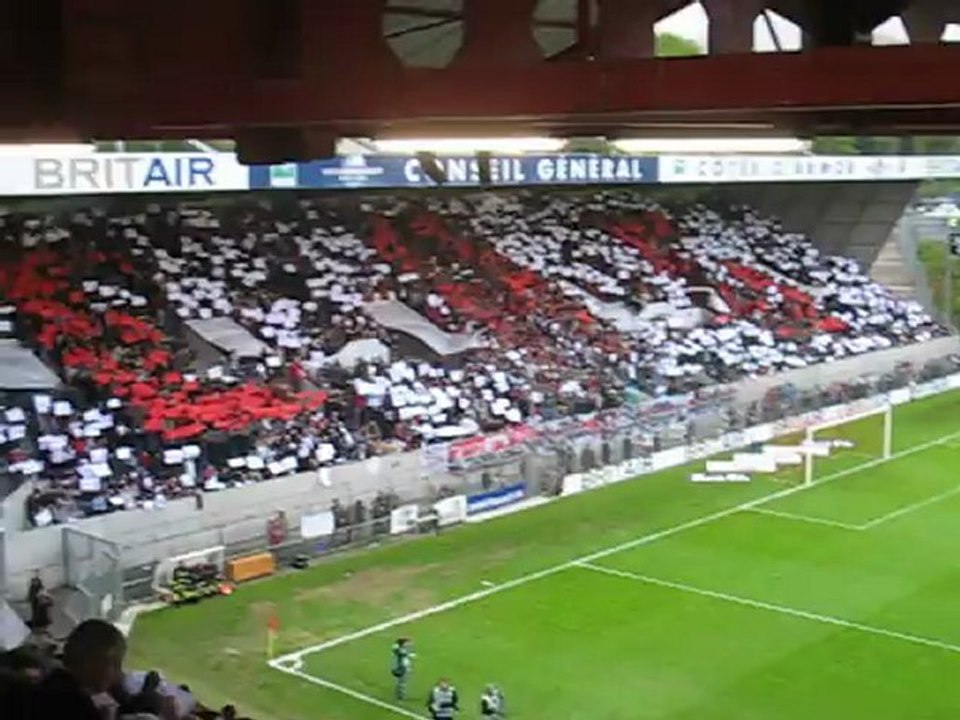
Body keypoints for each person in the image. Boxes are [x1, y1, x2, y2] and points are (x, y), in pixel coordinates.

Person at [32, 618, 126, 720]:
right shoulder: (71, 702)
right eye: (115, 664)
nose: (120, 674)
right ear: (91, 662)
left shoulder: (52, 685)